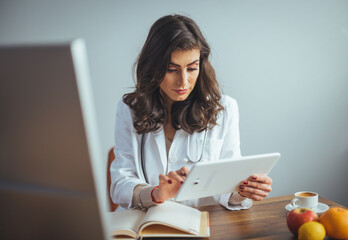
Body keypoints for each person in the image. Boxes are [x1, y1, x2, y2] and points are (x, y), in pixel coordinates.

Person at [110, 14, 272, 211]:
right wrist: (155, 194)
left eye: (192, 68)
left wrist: (243, 191)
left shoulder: (225, 108)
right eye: (172, 69)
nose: (183, 81)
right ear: (154, 67)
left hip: (201, 225)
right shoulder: (130, 108)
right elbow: (120, 184)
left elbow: (227, 185)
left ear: (201, 66)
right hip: (145, 226)